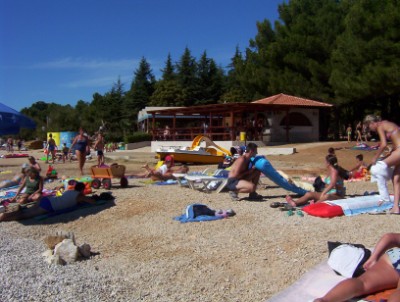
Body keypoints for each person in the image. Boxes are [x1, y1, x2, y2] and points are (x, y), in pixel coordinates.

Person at [314, 232, 400, 302]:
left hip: (395, 256)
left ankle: (325, 300)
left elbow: (389, 237)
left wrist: (374, 257)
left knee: (362, 282)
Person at [0, 182, 96, 222]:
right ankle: (4, 217)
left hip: (47, 200)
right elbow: (92, 202)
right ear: (82, 190)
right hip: (50, 206)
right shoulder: (80, 196)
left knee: (26, 211)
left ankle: (7, 215)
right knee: (26, 215)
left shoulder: (69, 191)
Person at [364, 115, 400, 214]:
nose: (371, 129)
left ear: (372, 123)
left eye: (369, 127)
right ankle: (396, 207)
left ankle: (384, 197)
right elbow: (396, 138)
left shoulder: (380, 126)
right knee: (396, 179)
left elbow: (383, 144)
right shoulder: (388, 123)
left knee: (377, 168)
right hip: (398, 149)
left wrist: (375, 157)